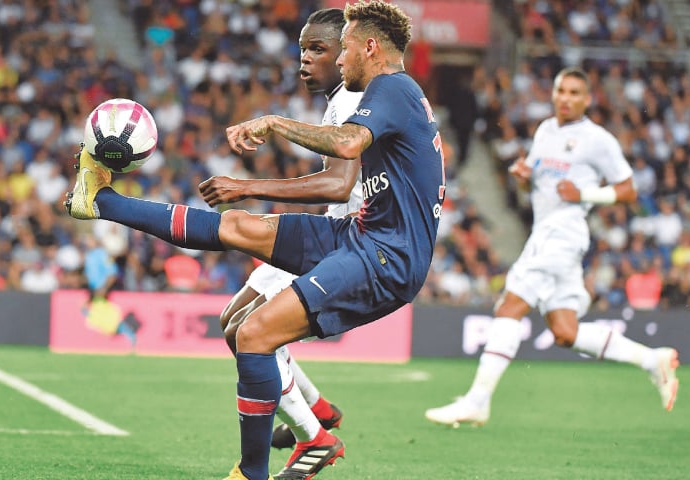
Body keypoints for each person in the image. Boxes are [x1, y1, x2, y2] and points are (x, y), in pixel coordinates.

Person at [65, 2, 444, 479]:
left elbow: (346, 151)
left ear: (369, 47)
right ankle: (100, 201)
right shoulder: (388, 93)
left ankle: (254, 472)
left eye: (340, 49)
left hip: (385, 257)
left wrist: (272, 123)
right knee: (238, 228)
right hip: (362, 234)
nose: (339, 60)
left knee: (252, 332)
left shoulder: (390, 88)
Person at [425, 67, 680, 428]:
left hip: (563, 232)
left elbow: (628, 189)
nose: (566, 98)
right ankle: (652, 359)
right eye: (561, 91)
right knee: (566, 332)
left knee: (510, 306)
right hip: (546, 231)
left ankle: (477, 400)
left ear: (588, 99)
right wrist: (525, 179)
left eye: (575, 92)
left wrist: (585, 194)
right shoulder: (545, 131)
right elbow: (537, 181)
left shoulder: (597, 139)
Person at [198, 8, 363, 479]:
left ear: (348, 52)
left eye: (318, 50)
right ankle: (319, 412)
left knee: (247, 332)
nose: (304, 60)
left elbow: (336, 184)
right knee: (233, 321)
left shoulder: (356, 102)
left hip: (345, 240)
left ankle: (315, 436)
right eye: (302, 50)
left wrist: (249, 187)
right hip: (330, 228)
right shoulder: (339, 101)